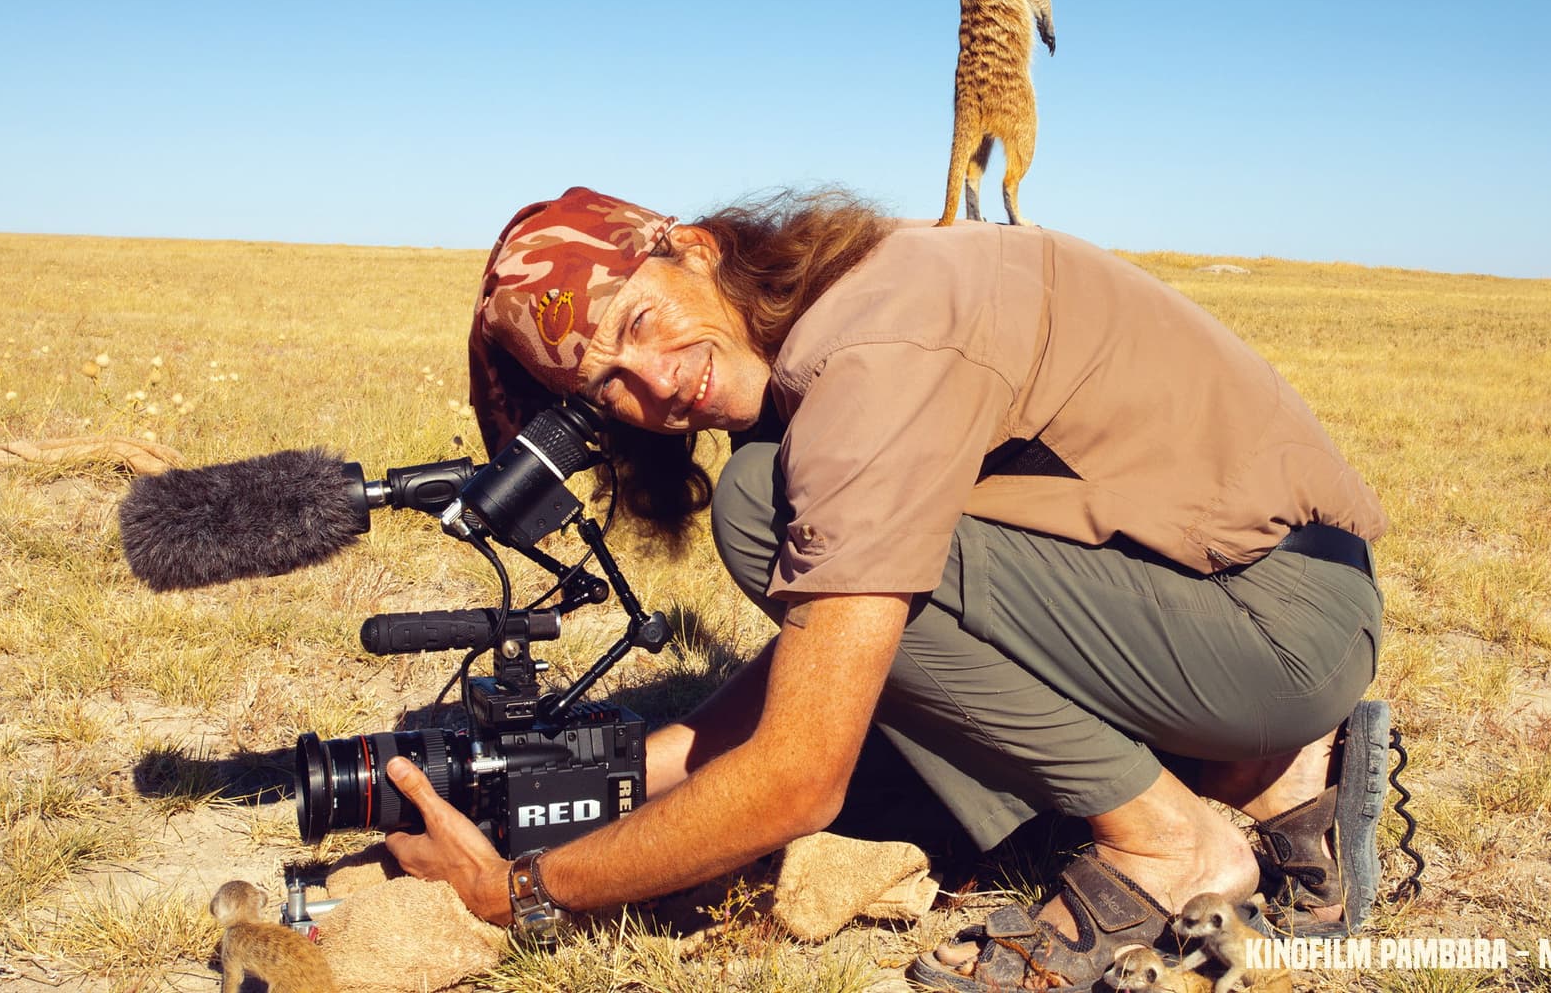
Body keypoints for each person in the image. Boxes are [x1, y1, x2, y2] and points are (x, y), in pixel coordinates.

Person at [380, 186, 1389, 991]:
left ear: (690, 247)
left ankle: (1174, 842)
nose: (655, 380)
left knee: (757, 506)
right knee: (806, 549)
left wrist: (521, 892)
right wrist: (618, 776)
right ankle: (1271, 769)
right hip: (1252, 595)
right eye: (609, 386)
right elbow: (855, 645)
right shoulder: (859, 296)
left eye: (640, 321)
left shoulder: (866, 354)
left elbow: (799, 771)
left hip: (1270, 630)